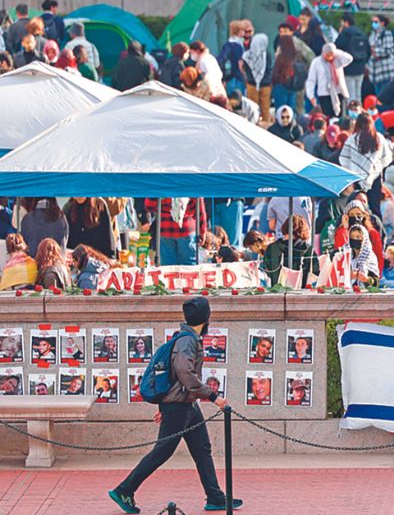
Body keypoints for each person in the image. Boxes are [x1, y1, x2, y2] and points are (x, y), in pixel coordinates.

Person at [109, 297, 240, 514]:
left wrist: (165, 404)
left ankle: (215, 497)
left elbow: (172, 376)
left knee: (202, 449)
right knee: (162, 452)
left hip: (187, 404)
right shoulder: (187, 341)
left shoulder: (187, 338)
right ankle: (124, 490)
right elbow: (183, 373)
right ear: (205, 318)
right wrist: (212, 396)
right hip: (179, 406)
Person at [340, 113, 394, 221]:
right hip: (375, 177)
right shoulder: (379, 138)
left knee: (354, 206)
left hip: (355, 178)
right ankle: (377, 232)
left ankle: (355, 229)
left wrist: (351, 170)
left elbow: (343, 159)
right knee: (375, 208)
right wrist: (378, 166)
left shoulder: (352, 139)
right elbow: (388, 158)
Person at [261, 216, 318, 286]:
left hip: (276, 293)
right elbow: (315, 273)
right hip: (302, 294)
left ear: (285, 227)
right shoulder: (309, 250)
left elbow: (265, 272)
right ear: (303, 230)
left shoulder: (272, 248)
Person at [306, 42, 353, 118]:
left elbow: (349, 58)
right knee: (327, 117)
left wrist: (335, 51)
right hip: (324, 93)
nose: (330, 57)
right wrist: (311, 95)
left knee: (341, 117)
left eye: (332, 55)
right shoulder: (317, 62)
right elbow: (311, 80)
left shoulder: (337, 60)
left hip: (339, 92)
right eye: (328, 55)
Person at [334, 14, 371, 99]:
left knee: (350, 95)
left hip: (348, 68)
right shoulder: (362, 34)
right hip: (360, 68)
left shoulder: (345, 34)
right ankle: (359, 111)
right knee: (358, 95)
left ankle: (351, 112)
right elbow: (368, 52)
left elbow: (336, 48)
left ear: (346, 22)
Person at [368, 14, 394, 92]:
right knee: (378, 96)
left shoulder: (386, 33)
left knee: (385, 95)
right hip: (375, 72)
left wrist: (374, 51)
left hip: (386, 71)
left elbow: (388, 50)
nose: (373, 24)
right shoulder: (372, 34)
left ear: (382, 23)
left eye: (376, 22)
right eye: (372, 22)